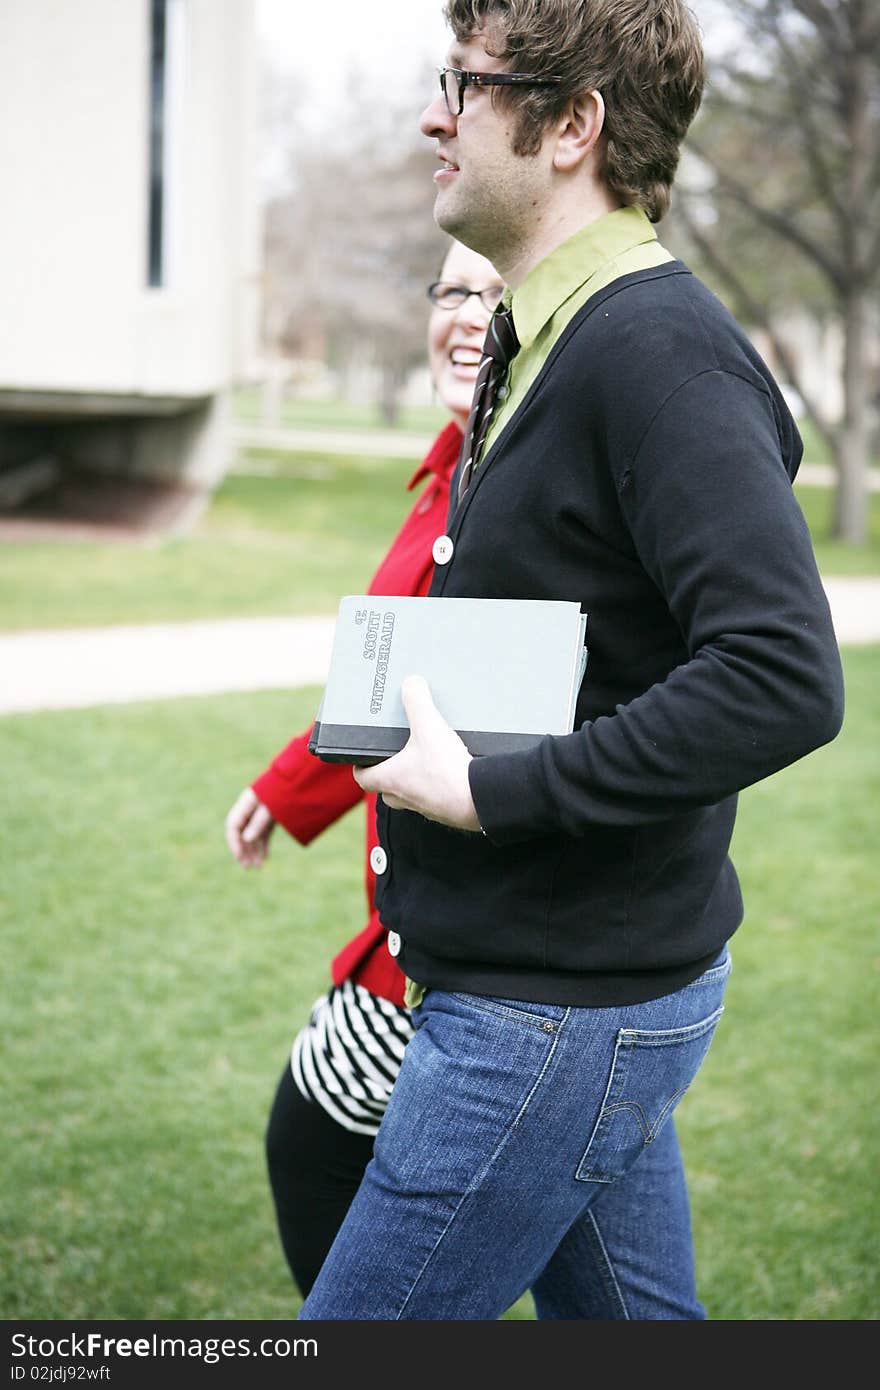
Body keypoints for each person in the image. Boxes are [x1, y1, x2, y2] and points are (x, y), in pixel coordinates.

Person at [296, 0, 845, 1321]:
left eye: (466, 84)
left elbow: (783, 671)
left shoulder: (655, 351)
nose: (437, 113)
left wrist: (496, 792)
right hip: (552, 986)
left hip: (550, 1018)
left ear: (571, 126)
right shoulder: (545, 336)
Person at [224, 239, 506, 1298]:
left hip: (457, 958)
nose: (468, 316)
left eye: (498, 293)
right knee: (614, 1281)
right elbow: (379, 686)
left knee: (309, 1138)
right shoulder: (451, 467)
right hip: (471, 948)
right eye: (452, 291)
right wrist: (281, 788)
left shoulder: (501, 487)